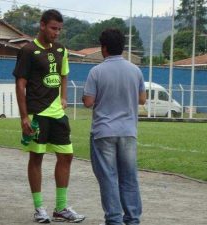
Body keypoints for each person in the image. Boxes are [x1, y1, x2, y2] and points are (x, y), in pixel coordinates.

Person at [13, 9, 85, 224]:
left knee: (67, 155)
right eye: (54, 28)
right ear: (42, 25)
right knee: (36, 157)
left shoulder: (61, 49)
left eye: (60, 29)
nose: (57, 33)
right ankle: (39, 208)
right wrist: (24, 117)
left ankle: (61, 208)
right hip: (37, 113)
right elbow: (20, 84)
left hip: (57, 112)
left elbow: (64, 74)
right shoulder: (28, 50)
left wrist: (64, 97)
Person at [82, 28, 146, 225]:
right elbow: (142, 99)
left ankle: (114, 219)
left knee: (108, 178)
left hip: (103, 132)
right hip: (128, 132)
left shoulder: (96, 71)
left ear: (104, 48)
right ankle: (133, 219)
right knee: (129, 177)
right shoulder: (135, 70)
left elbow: (88, 101)